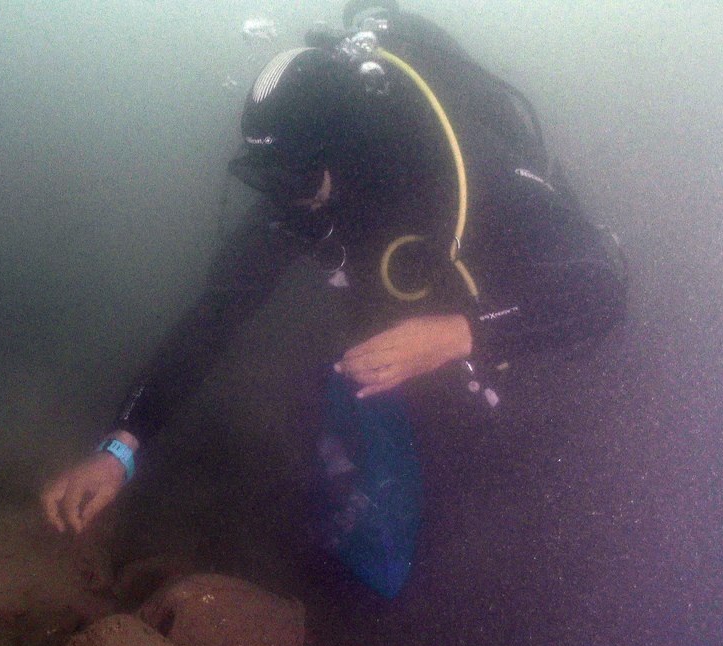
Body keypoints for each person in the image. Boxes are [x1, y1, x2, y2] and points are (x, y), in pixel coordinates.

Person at [41, 2, 626, 575]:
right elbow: (214, 317)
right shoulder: (297, 196)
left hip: (524, 333)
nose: (279, 197)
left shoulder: (458, 165)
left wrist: (462, 333)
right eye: (264, 176)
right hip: (413, 335)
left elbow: (600, 288)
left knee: (494, 493)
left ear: (342, 150)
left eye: (293, 177)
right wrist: (120, 447)